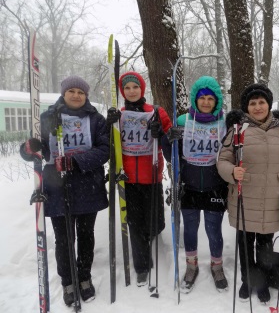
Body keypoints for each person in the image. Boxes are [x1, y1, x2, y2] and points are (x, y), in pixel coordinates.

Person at [20, 76, 109, 306]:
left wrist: (76, 161)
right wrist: (29, 149)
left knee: (86, 236)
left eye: (81, 92)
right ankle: (68, 280)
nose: (76, 95)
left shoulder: (96, 119)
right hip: (58, 186)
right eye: (72, 91)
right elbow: (35, 151)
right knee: (64, 239)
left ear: (86, 95)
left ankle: (84, 277)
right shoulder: (47, 117)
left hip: (88, 185)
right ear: (64, 93)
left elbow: (105, 149)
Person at [217, 83, 279, 304]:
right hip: (244, 196)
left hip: (271, 197)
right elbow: (223, 160)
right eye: (253, 103)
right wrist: (232, 171)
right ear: (246, 107)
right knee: (245, 243)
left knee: (265, 245)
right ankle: (247, 280)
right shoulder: (237, 129)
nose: (258, 107)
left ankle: (262, 282)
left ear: (269, 104)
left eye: (262, 102)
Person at [162, 76, 229, 293]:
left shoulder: (224, 123)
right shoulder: (183, 121)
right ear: (195, 100)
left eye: (211, 98)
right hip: (188, 185)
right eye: (202, 98)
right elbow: (170, 154)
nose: (206, 102)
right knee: (190, 229)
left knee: (213, 230)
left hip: (214, 186)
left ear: (216, 100)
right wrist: (167, 139)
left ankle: (217, 265)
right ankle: (191, 266)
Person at [106, 71, 172, 287]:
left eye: (135, 87)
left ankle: (152, 235)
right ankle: (142, 266)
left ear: (142, 89)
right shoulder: (119, 114)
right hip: (128, 179)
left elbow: (170, 145)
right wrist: (110, 125)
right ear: (122, 92)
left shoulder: (156, 112)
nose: (132, 91)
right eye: (127, 88)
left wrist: (160, 133)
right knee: (134, 224)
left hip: (151, 176)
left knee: (154, 222)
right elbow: (109, 145)